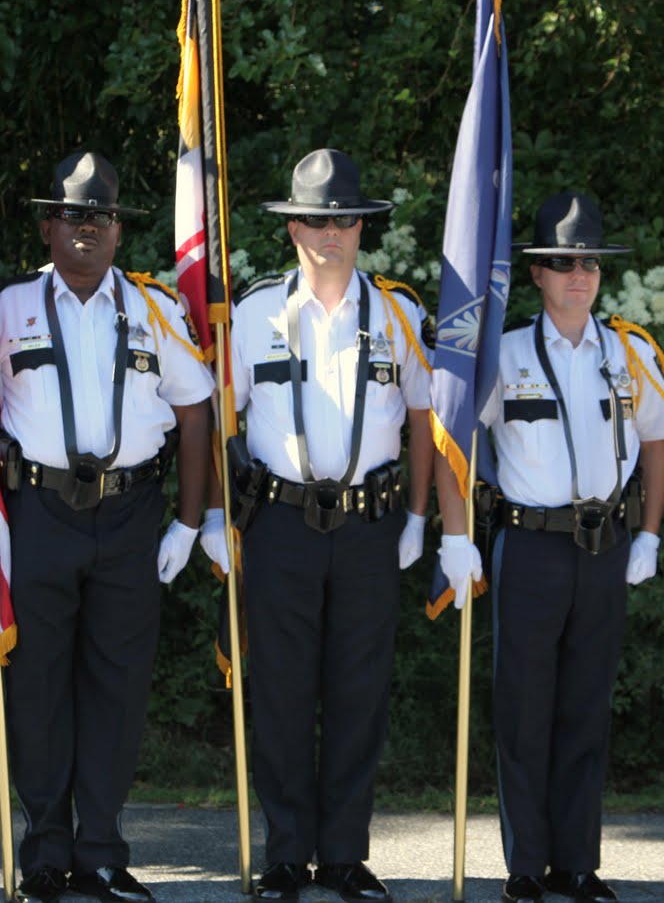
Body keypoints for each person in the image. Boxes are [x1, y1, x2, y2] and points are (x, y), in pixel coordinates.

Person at [0, 150, 213, 903]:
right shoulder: (3, 308)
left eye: (100, 215)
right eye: (72, 214)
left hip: (131, 517)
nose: (87, 228)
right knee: (36, 684)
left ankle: (100, 849)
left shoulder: (155, 307)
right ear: (47, 224)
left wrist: (189, 522)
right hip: (38, 515)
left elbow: (196, 412)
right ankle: (44, 852)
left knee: (117, 687)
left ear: (119, 229)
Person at [215, 148, 455, 903]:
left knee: (358, 690)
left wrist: (421, 516)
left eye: (343, 218)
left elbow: (425, 420)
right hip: (279, 523)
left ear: (363, 227)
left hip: (368, 528)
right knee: (281, 689)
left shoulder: (399, 313)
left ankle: (345, 853)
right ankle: (287, 853)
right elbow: (220, 420)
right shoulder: (252, 314)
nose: (329, 232)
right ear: (293, 227)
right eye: (315, 218)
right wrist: (220, 521)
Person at [468, 193, 664, 903]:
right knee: (524, 711)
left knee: (586, 708)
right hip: (529, 544)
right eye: (561, 261)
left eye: (587, 260)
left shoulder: (632, 350)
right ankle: (526, 866)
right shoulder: (504, 351)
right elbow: (459, 438)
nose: (578, 273)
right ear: (537, 274)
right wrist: (456, 534)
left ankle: (578, 863)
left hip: (605, 543)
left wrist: (649, 532)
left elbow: (657, 438)